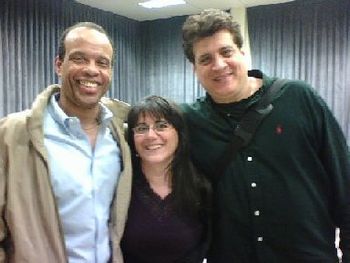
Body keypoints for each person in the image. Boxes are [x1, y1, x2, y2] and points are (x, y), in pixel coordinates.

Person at [180, 9, 350, 263]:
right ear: (194, 69)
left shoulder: (299, 98)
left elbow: (344, 182)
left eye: (226, 52)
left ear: (243, 53)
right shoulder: (188, 121)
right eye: (205, 59)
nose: (219, 65)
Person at [0, 22, 132, 262]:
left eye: (102, 63)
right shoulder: (12, 134)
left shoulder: (122, 136)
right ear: (59, 65)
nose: (92, 70)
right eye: (80, 59)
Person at [121, 95, 211, 263]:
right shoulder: (120, 187)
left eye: (161, 126)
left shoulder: (201, 186)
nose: (151, 135)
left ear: (179, 133)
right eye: (141, 128)